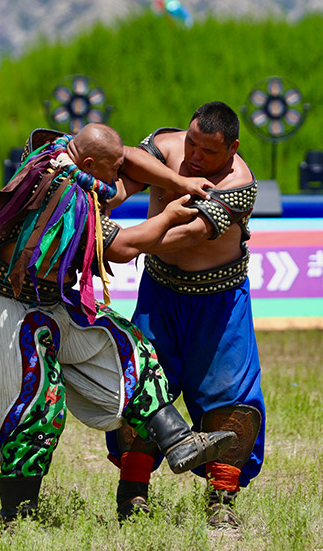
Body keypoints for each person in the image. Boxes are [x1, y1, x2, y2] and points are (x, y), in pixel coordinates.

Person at [0, 123, 235, 527]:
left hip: (50, 300)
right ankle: (16, 517)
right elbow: (122, 248)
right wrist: (172, 213)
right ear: (89, 163)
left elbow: (131, 159)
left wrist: (179, 180)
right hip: (6, 304)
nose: (122, 171)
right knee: (37, 403)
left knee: (128, 347)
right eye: (114, 168)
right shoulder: (65, 196)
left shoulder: (61, 153)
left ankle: (179, 442)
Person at [107, 102, 266, 528]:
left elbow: (188, 233)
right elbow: (125, 170)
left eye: (208, 150)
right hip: (159, 293)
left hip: (219, 301)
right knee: (140, 385)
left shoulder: (240, 184)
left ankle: (221, 503)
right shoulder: (168, 145)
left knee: (231, 397)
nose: (195, 155)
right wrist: (100, 202)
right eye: (192, 142)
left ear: (232, 148)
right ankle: (133, 495)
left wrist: (121, 241)